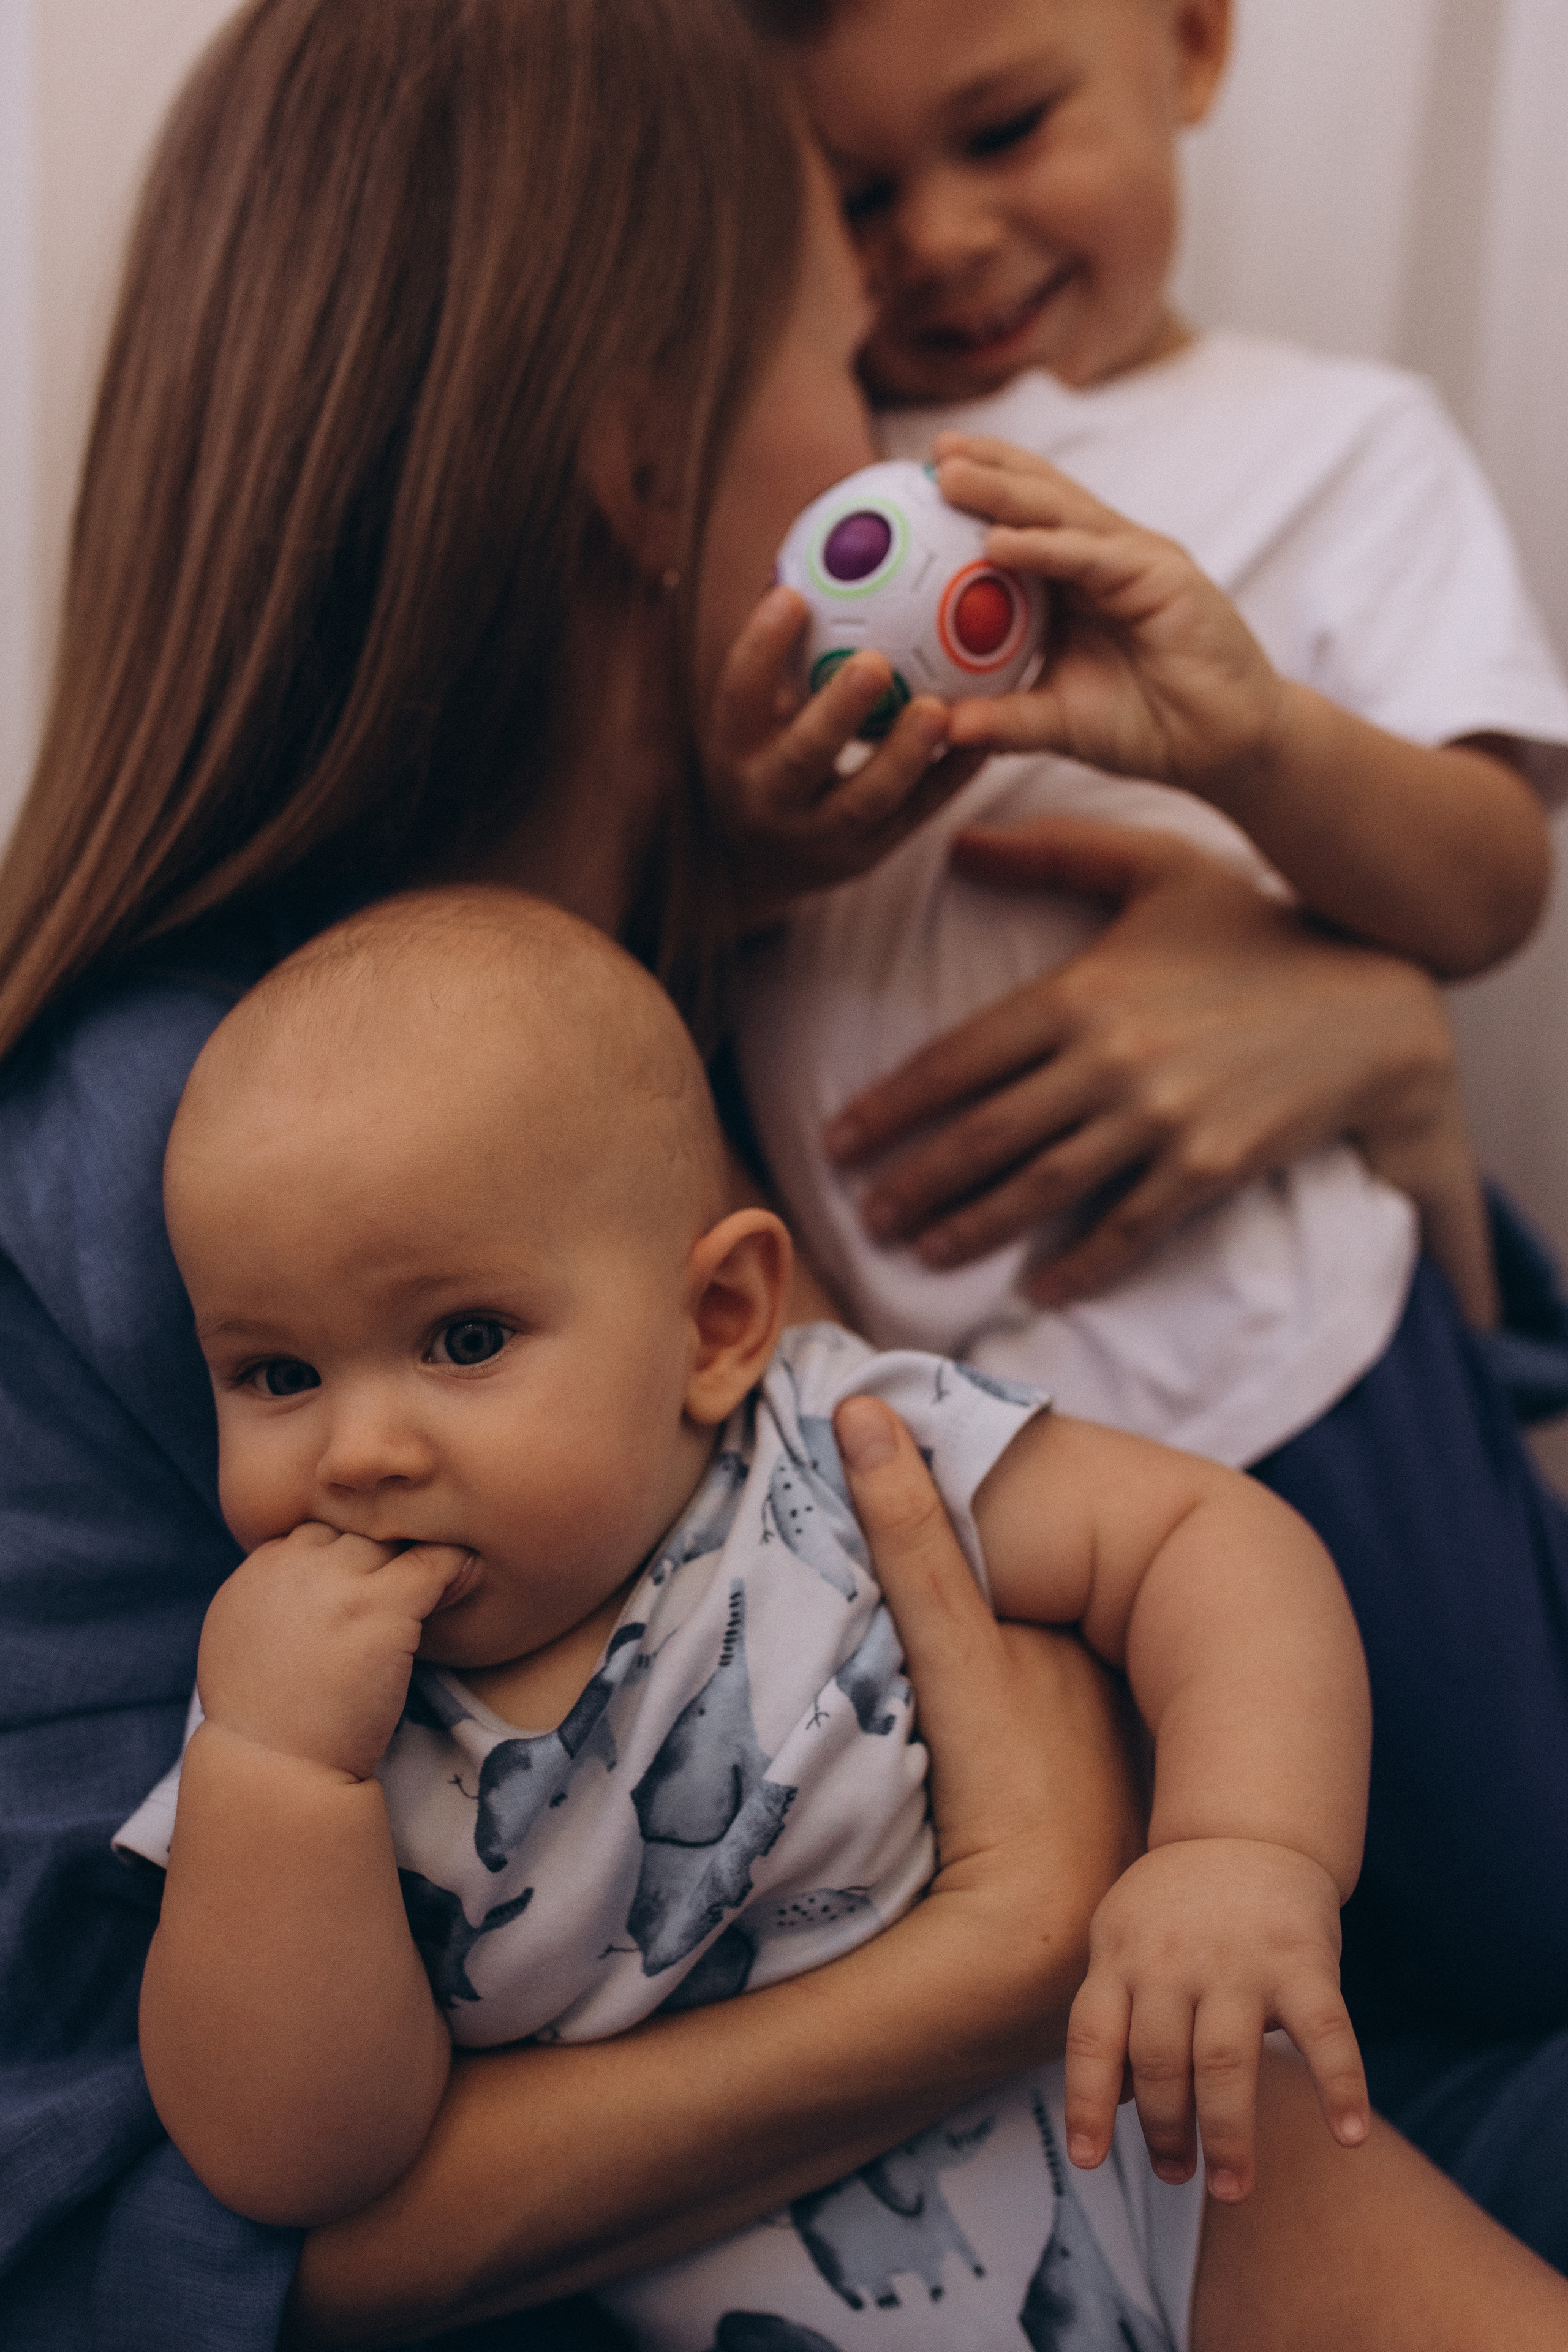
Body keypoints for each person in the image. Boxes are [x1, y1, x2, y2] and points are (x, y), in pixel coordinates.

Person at [1, 2, 1562, 2345]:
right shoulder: (233, 1166)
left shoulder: (723, 1002)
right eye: (856, 373)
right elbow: (141, 2222)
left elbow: (1415, 1425)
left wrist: (1382, 1058)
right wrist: (998, 1955)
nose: (924, 442)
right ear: (651, 464)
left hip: (1265, 2048)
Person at [121, 884, 1375, 2348]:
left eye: (465, 1341)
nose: (359, 1452)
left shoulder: (830, 1442)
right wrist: (277, 1776)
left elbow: (1196, 1537)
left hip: (1181, 2168)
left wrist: (1241, 1844)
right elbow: (299, 2166)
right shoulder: (297, 1707)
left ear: (715, 1325)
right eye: (275, 1375)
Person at [723, 0, 1568, 2070]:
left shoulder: (1341, 437)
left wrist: (1259, 738)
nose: (938, 238)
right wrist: (747, 833)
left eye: (1005, 129)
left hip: (1303, 1378)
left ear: (1189, 45)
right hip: (955, 1465)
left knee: (1510, 1937)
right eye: (855, 193)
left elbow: (1487, 882)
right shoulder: (813, 466)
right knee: (1158, 2033)